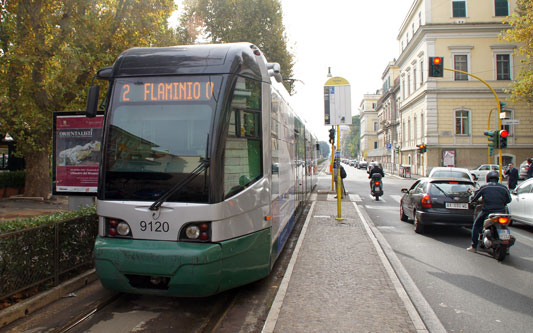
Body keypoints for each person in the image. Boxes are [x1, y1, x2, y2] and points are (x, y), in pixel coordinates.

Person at [467, 170, 511, 253]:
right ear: (497, 178)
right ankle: (507, 248)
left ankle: (473, 246)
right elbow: (509, 199)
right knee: (505, 226)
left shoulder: (485, 187)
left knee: (476, 226)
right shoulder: (503, 187)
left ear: (488, 178)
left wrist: (472, 201)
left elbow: (475, 197)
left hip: (487, 211)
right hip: (501, 212)